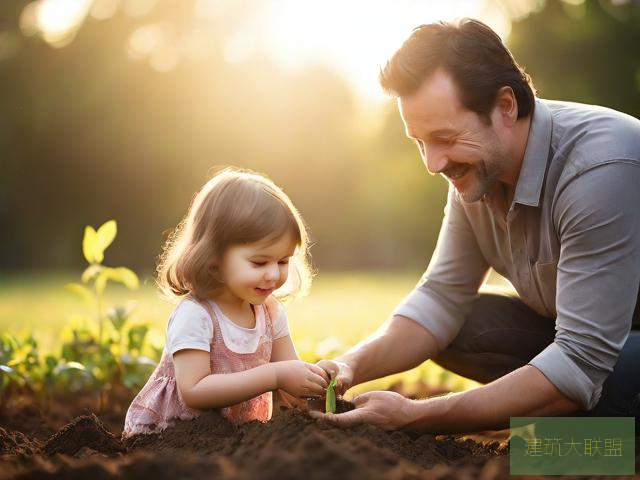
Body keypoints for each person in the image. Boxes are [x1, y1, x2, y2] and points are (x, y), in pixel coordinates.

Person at [314, 18, 640, 433]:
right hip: (597, 345)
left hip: (617, 348)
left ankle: (586, 445)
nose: (433, 164)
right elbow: (439, 298)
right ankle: (571, 423)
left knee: (581, 404)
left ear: (505, 106)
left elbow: (581, 359)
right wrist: (348, 365)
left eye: (444, 138)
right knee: (463, 326)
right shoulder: (480, 173)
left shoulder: (599, 170)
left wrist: (415, 417)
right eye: (419, 142)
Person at [123, 168, 328, 437]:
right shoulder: (196, 315)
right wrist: (275, 376)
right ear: (214, 259)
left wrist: (317, 390)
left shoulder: (271, 313)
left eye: (283, 261)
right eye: (259, 262)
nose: (274, 274)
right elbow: (194, 391)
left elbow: (292, 383)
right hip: (171, 437)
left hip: (233, 442)